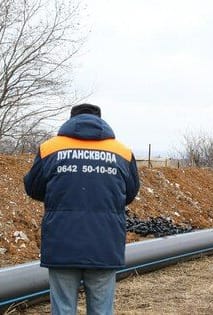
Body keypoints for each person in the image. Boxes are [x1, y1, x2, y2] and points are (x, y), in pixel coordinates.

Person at [24, 104, 140, 315]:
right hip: (104, 244)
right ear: (100, 121)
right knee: (102, 310)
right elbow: (129, 193)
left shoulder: (50, 148)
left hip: (62, 242)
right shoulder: (122, 152)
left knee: (63, 309)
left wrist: (59, 198)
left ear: (71, 120)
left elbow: (33, 187)